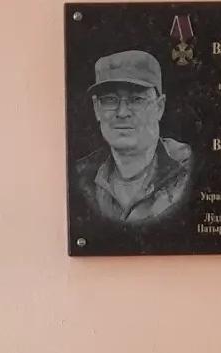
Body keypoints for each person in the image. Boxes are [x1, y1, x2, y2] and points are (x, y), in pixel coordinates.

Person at [74, 50, 192, 225]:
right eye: (110, 100)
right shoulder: (80, 177)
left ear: (159, 107)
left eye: (137, 99)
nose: (122, 113)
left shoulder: (189, 172)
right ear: (96, 109)